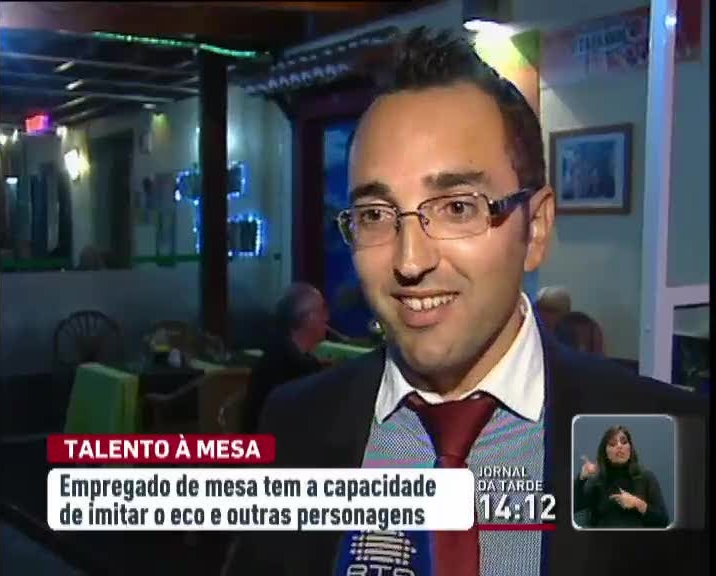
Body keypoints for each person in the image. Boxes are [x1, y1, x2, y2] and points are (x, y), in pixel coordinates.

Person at [229, 27, 707, 576]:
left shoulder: (660, 436)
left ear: (536, 228)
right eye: (376, 215)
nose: (410, 261)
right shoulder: (298, 422)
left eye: (457, 208)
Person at [241, 283, 328, 433]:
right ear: (306, 318)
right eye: (322, 311)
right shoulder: (281, 365)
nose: (327, 318)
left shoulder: (302, 360)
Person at [574, 426, 669, 528]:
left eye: (624, 442)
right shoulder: (598, 480)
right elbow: (574, 507)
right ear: (605, 452)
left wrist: (637, 503)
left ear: (630, 448)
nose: (619, 446)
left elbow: (663, 521)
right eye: (612, 444)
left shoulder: (646, 477)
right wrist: (581, 478)